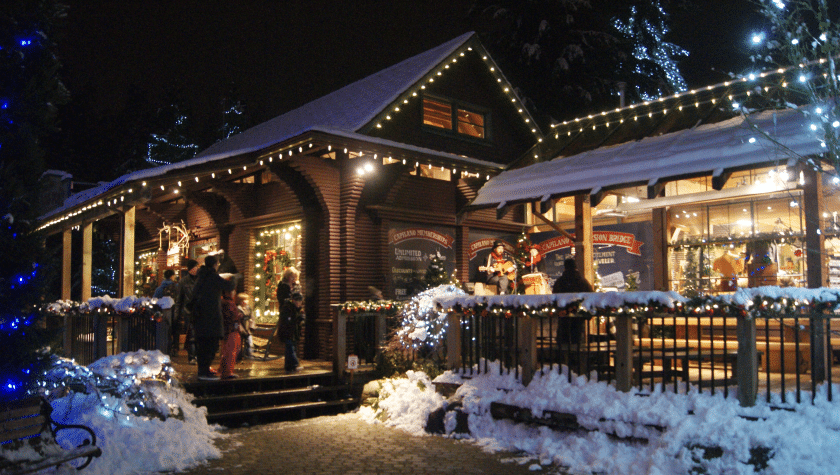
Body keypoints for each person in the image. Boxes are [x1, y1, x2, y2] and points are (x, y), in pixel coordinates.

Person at [188, 255, 236, 381]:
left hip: (200, 317)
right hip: (211, 317)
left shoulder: (201, 277)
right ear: (215, 264)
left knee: (203, 345)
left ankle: (202, 370)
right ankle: (204, 372)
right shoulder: (212, 277)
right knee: (211, 345)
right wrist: (234, 275)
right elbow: (229, 286)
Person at [552, 258, 593, 346]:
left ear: (565, 267)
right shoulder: (582, 281)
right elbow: (590, 295)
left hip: (563, 315)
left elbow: (554, 297)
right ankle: (576, 357)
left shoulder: (560, 282)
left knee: (563, 341)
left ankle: (564, 358)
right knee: (577, 339)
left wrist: (559, 309)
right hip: (578, 316)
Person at [176, 259, 200, 363]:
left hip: (200, 311)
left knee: (199, 334)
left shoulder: (201, 279)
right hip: (188, 312)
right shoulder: (183, 281)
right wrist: (178, 313)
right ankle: (192, 357)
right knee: (192, 334)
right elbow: (179, 299)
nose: (197, 268)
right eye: (196, 267)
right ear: (191, 268)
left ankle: (198, 356)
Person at [217, 289, 243, 379]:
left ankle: (223, 369)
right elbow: (230, 317)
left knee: (226, 351)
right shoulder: (228, 303)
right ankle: (228, 371)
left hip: (228, 330)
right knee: (231, 351)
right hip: (231, 330)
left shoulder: (224, 302)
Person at [276, 292, 304, 372]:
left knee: (290, 349)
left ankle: (288, 367)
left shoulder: (297, 309)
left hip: (294, 333)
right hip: (287, 332)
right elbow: (287, 321)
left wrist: (301, 320)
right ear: (293, 300)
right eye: (297, 301)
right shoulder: (287, 308)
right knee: (291, 349)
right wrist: (297, 319)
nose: (298, 303)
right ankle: (295, 365)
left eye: (300, 301)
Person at [236, 292, 254, 360]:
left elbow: (252, 318)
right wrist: (241, 329)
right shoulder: (238, 309)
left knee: (249, 342)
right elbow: (237, 321)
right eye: (243, 300)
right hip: (241, 329)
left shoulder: (249, 309)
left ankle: (249, 355)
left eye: (246, 300)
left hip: (248, 329)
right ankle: (239, 356)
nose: (245, 301)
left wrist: (251, 326)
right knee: (239, 344)